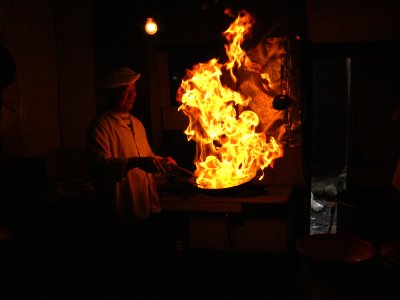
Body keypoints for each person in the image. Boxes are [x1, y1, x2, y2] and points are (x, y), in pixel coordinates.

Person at [86, 67, 176, 297]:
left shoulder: (136, 123)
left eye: (134, 90)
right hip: (122, 214)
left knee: (148, 271)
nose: (132, 95)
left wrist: (161, 162)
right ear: (111, 94)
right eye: (126, 91)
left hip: (147, 210)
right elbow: (98, 165)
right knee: (126, 276)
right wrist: (135, 163)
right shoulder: (101, 126)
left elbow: (145, 157)